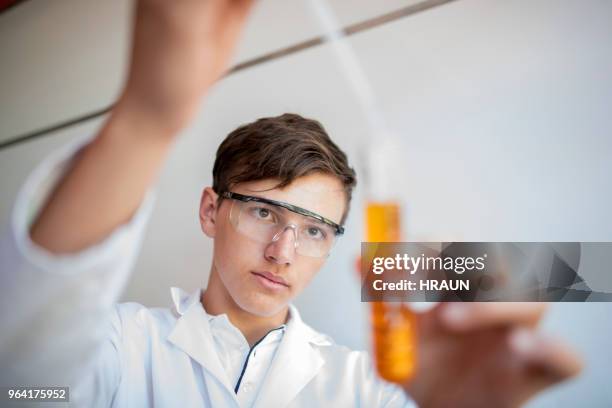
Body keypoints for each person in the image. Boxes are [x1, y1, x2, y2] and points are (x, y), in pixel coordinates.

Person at [0, 1, 582, 407]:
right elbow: (20, 388)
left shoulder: (371, 388)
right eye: (262, 212)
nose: (283, 251)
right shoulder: (122, 348)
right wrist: (147, 118)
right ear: (210, 211)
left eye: (315, 230)